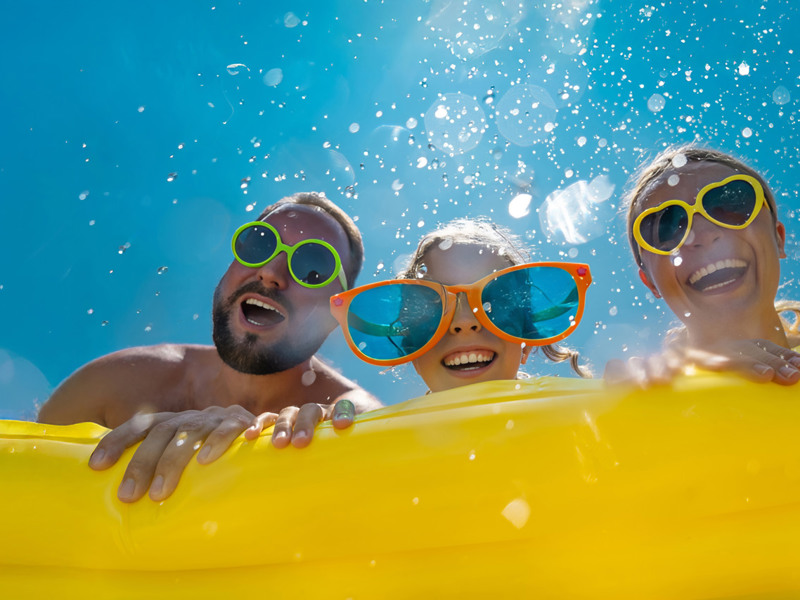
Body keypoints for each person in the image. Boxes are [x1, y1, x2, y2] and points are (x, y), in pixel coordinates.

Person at [38, 191, 382, 501]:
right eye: (260, 244)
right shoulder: (117, 383)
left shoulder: (344, 408)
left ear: (336, 311)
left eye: (313, 267)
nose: (270, 272)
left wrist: (331, 429)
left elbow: (365, 420)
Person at [605, 144, 800, 385]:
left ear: (778, 239)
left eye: (731, 204)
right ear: (650, 283)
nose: (702, 234)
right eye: (665, 227)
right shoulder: (647, 396)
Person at [330, 219, 591, 392]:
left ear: (525, 342)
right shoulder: (384, 449)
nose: (465, 322)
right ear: (413, 353)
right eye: (432, 311)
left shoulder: (581, 421)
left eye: (495, 304)